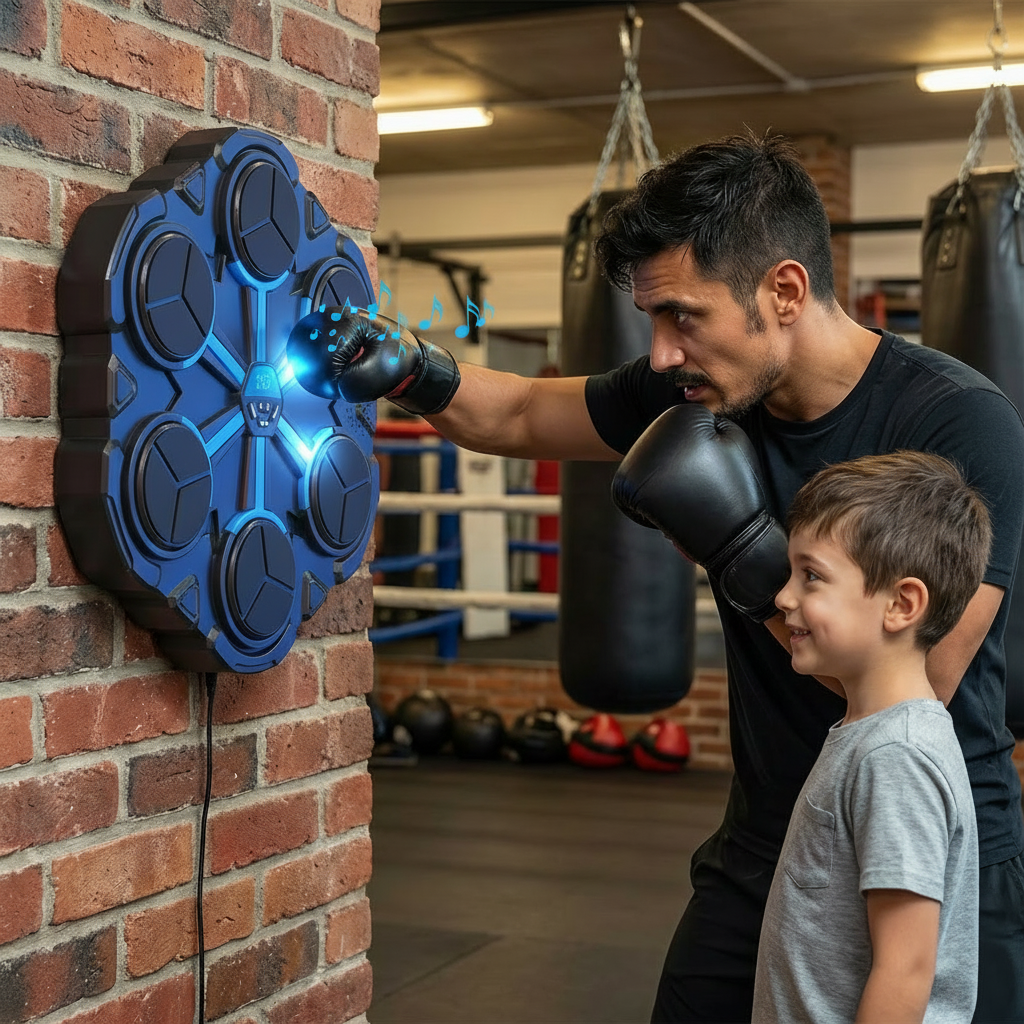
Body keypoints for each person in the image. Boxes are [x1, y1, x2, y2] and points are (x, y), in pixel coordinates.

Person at [289, 132, 1024, 1023]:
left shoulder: (959, 422)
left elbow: (927, 675)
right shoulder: (700, 385)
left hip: (927, 851)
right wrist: (413, 369)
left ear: (785, 291)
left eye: (683, 316)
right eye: (652, 320)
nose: (665, 352)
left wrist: (740, 544)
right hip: (772, 831)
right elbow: (521, 414)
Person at [754, 450, 988, 1023]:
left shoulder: (896, 756)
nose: (784, 597)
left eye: (811, 576)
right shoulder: (869, 734)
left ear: (901, 604)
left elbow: (905, 967)